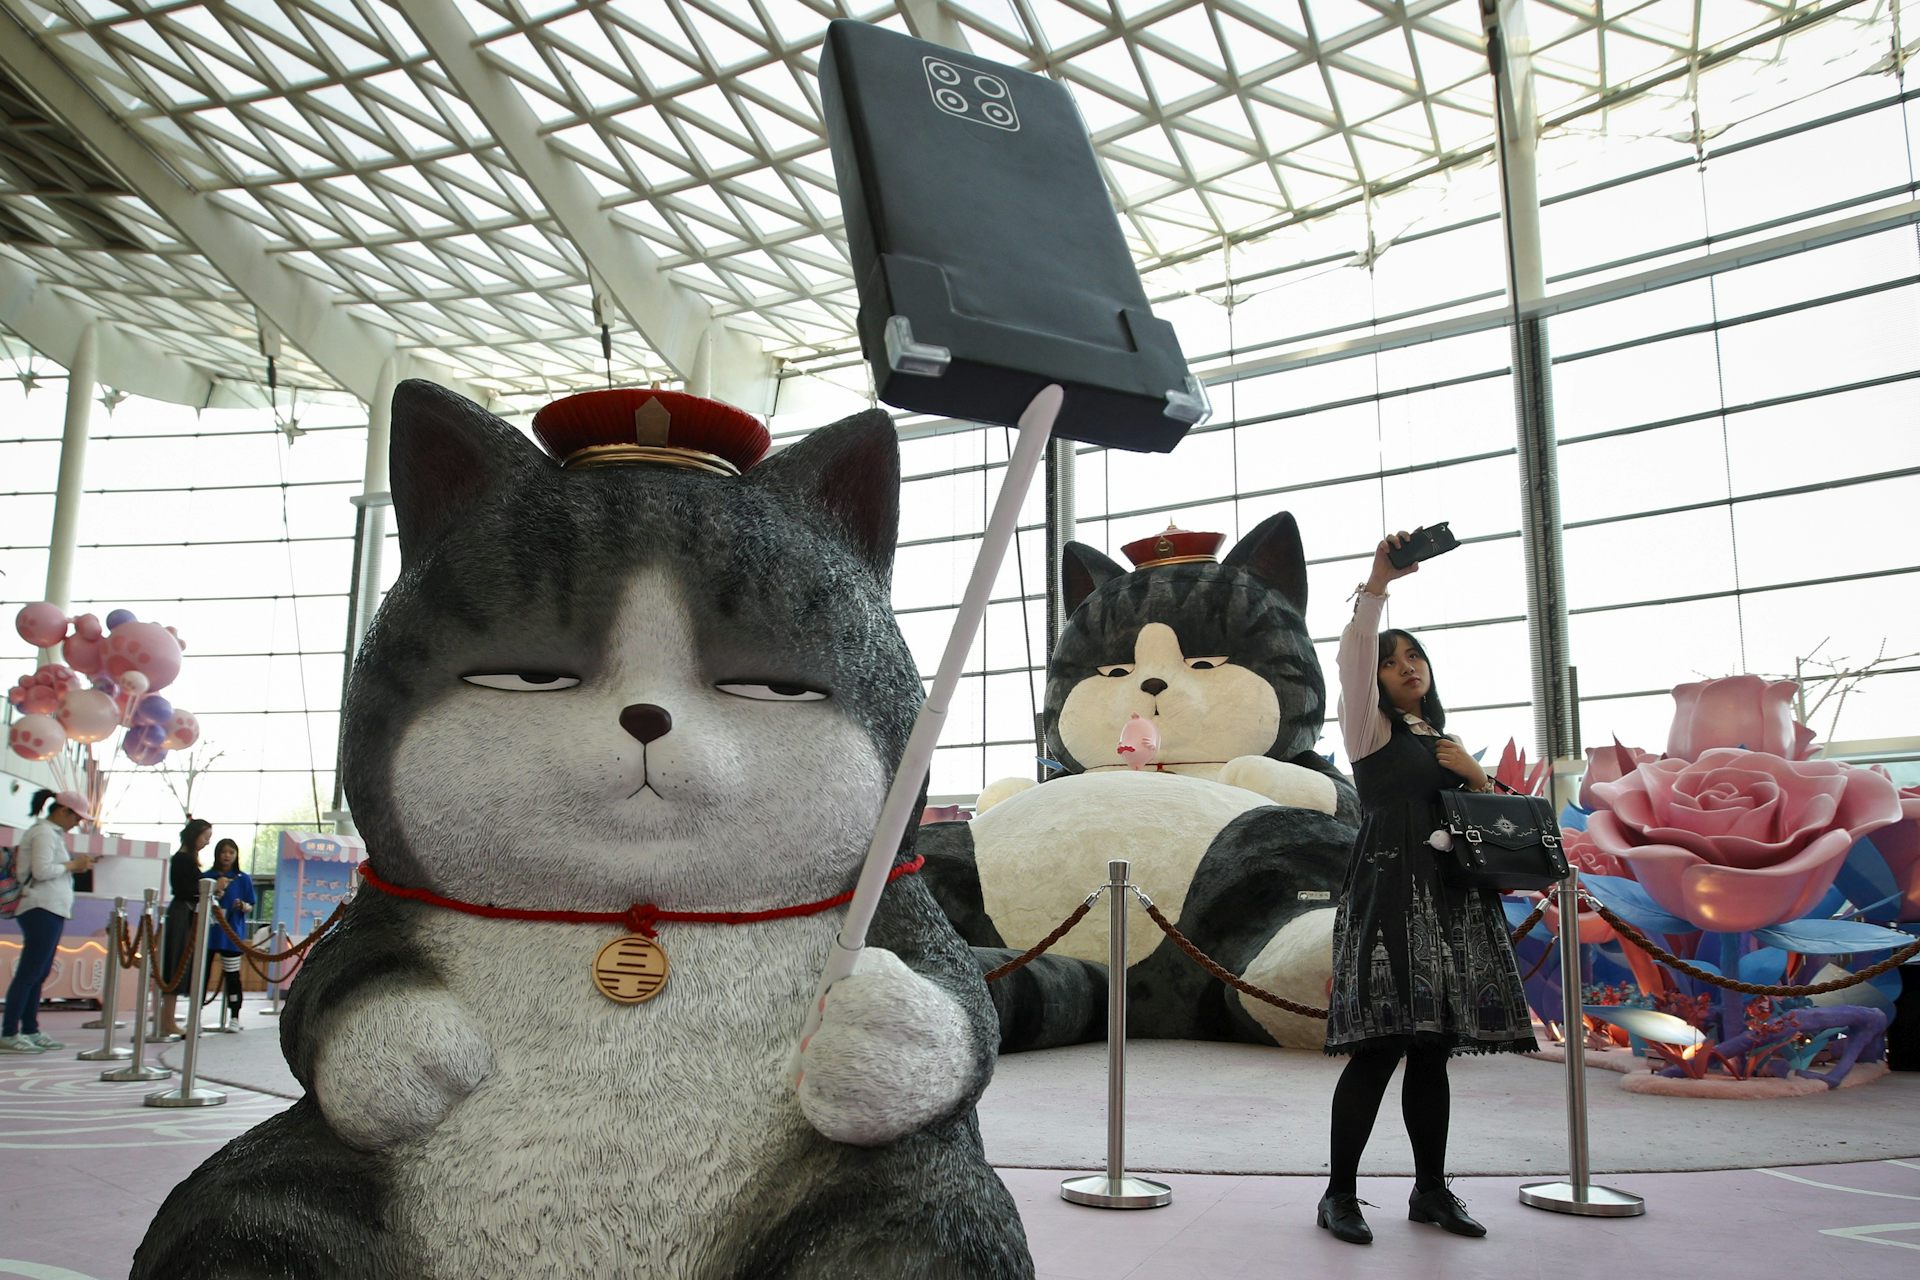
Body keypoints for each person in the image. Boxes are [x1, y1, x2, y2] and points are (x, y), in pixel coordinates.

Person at [1316, 532, 1538, 1245]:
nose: (1405, 665)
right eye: (1392, 659)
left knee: (1433, 1049)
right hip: (1391, 892)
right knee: (1380, 1045)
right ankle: (1338, 1194)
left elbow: (1485, 817)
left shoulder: (1438, 735)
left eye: (1414, 655)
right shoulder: (1368, 728)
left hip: (1448, 898)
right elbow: (1353, 658)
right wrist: (1378, 584)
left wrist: (1474, 777)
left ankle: (1431, 1190)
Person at [1, 790, 96, 1053]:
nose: (77, 823)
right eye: (76, 817)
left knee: (39, 972)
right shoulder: (43, 833)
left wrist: (72, 866)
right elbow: (41, 871)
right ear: (63, 811)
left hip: (50, 908)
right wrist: (72, 865)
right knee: (30, 972)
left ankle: (29, 1029)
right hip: (40, 906)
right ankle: (9, 1032)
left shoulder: (51, 833)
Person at [157, 818, 212, 1040]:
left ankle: (168, 1019)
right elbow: (184, 889)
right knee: (176, 964)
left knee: (179, 964)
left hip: (187, 913)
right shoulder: (182, 859)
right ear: (194, 835)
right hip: (182, 915)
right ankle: (167, 1020)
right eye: (205, 837)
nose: (207, 842)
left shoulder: (187, 859)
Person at [203, 839, 254, 1026]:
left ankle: (234, 1016)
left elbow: (250, 905)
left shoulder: (243, 878)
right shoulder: (207, 877)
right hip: (207, 934)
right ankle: (195, 1016)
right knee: (201, 975)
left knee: (233, 976)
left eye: (231, 852)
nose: (227, 856)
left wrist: (242, 905)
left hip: (231, 935)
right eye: (223, 852)